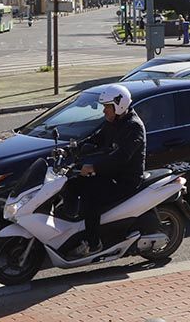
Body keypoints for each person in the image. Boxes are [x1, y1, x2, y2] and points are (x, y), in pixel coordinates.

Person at [68, 84, 146, 256]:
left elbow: (121, 158)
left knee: (90, 197)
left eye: (107, 107)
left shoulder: (133, 127)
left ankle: (94, 243)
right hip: (111, 174)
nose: (104, 111)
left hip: (125, 180)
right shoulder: (114, 122)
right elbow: (96, 138)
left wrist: (94, 167)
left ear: (119, 105)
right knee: (72, 183)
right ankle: (72, 227)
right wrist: (73, 148)